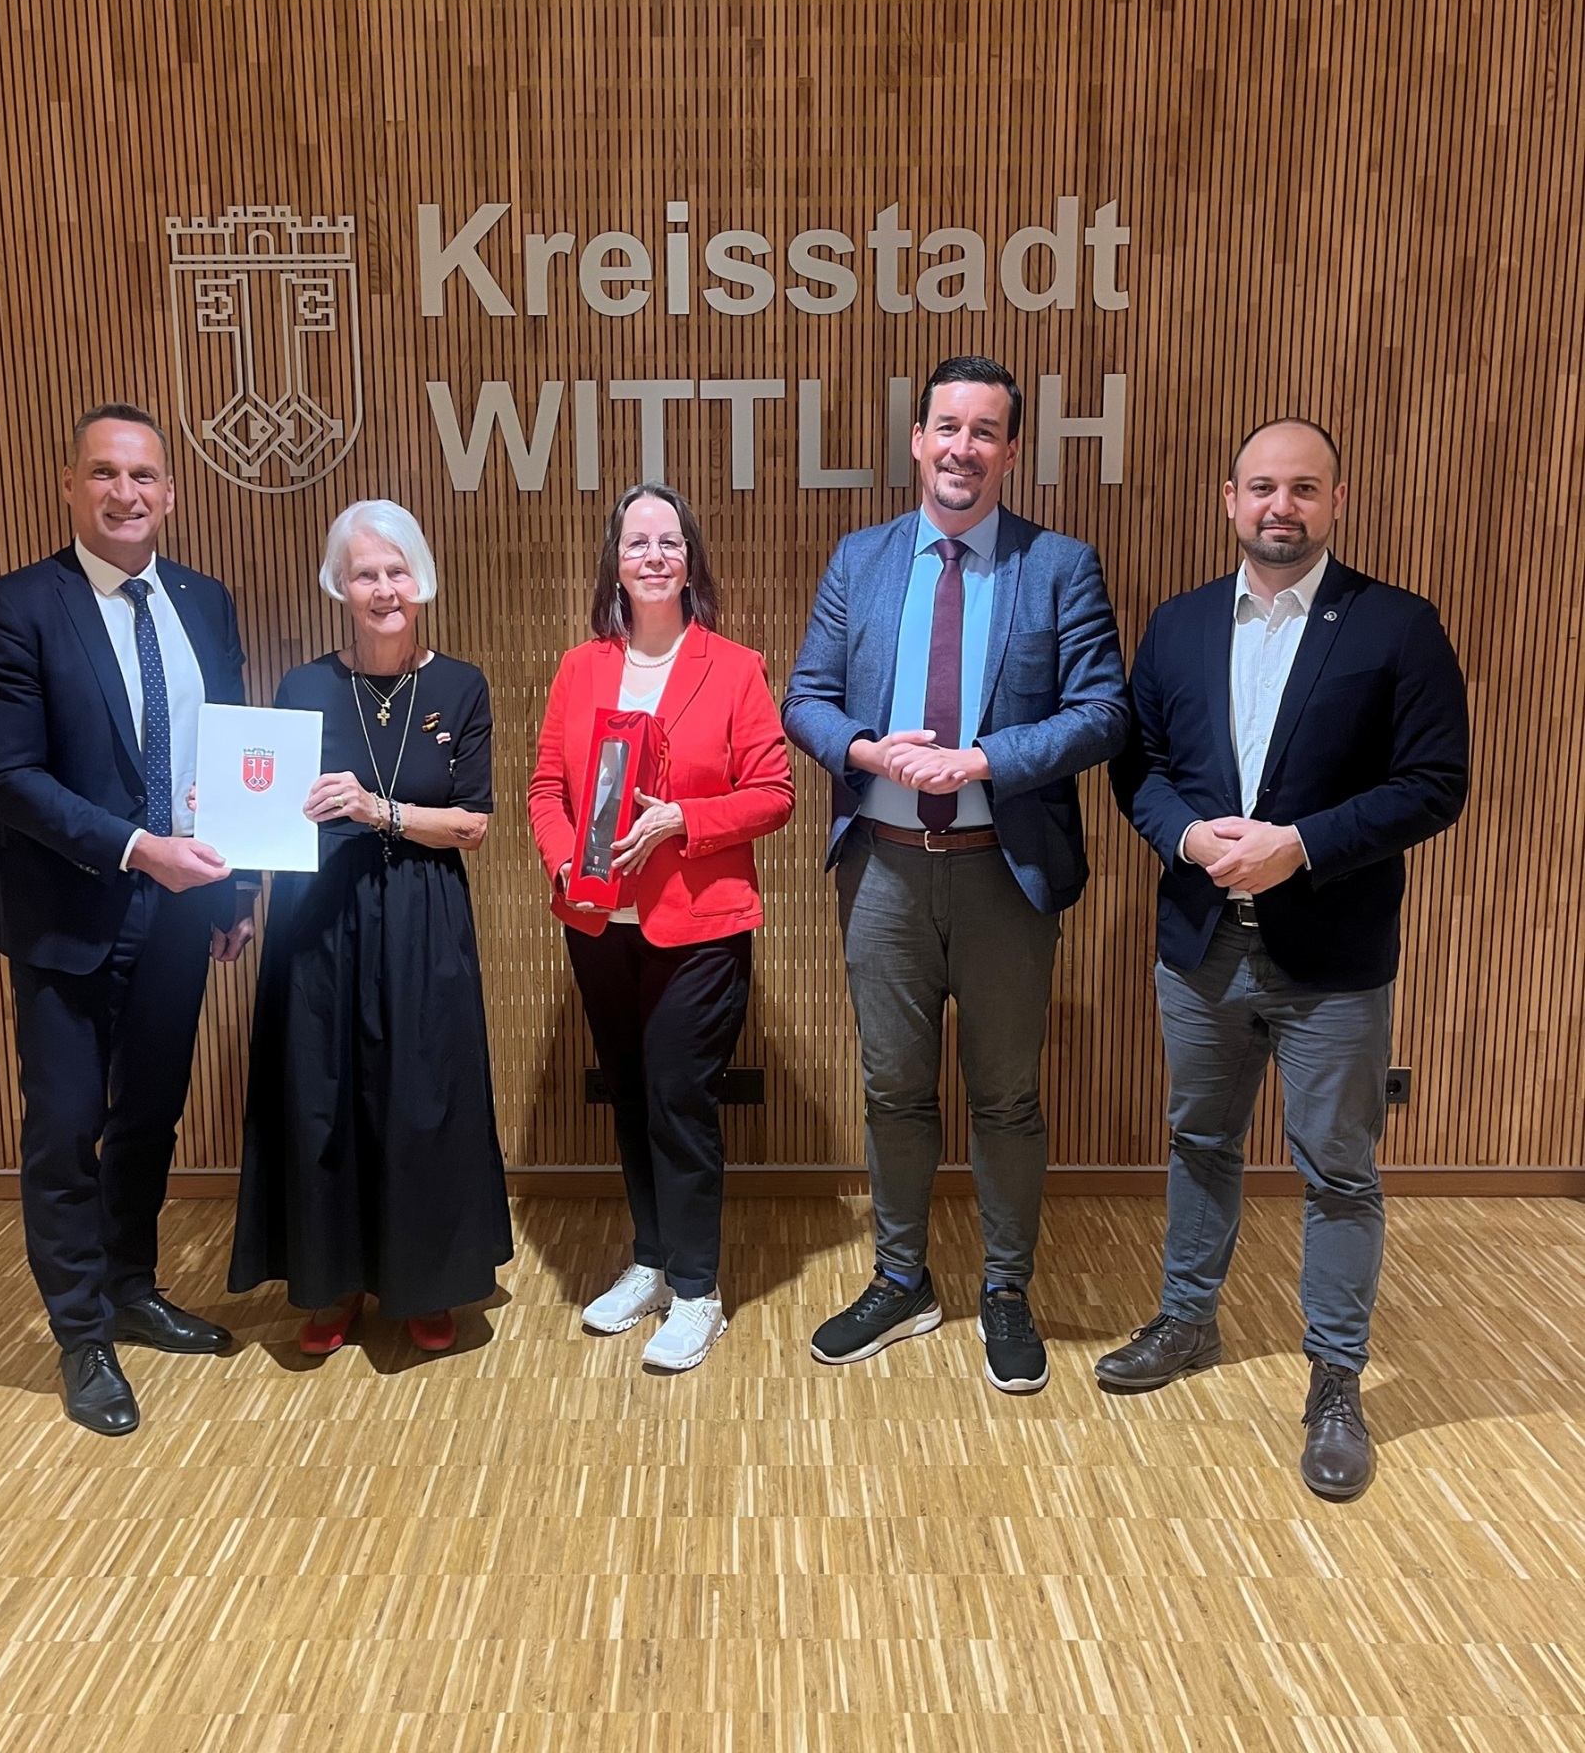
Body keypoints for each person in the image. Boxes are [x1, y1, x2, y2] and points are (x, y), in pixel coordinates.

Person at [1098, 418, 1469, 1499]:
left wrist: (1299, 845)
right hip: (1201, 949)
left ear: (1336, 501)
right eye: (1262, 486)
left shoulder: (1397, 626)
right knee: (1199, 1140)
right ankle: (1186, 1321)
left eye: (1303, 488)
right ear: (1229, 498)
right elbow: (1139, 767)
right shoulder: (1176, 626)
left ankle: (1336, 1381)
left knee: (1337, 1170)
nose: (1280, 506)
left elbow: (1433, 783)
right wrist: (1184, 835)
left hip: (1332, 961)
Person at [783, 356, 1129, 1394]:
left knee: (1006, 1097)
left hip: (1000, 879)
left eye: (984, 431)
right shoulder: (861, 559)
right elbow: (805, 698)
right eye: (947, 427)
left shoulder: (1057, 566)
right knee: (892, 1089)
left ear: (1011, 451)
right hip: (883, 872)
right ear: (917, 439)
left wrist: (983, 760)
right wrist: (866, 751)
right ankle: (901, 1280)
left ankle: (1007, 1289)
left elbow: (1102, 712)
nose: (962, 448)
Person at [0, 403, 258, 1437]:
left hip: (181, 912)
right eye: (104, 473)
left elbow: (226, 756)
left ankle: (131, 1287)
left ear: (169, 493)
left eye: (143, 476)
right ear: (70, 486)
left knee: (149, 1114)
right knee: (65, 1124)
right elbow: (8, 779)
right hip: (68, 912)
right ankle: (80, 1333)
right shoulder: (13, 608)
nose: (125, 493)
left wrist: (232, 892)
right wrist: (136, 848)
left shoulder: (204, 602)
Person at [229, 501, 512, 1355]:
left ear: (421, 580)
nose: (384, 588)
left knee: (423, 1097)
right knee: (324, 1095)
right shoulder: (303, 686)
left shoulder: (460, 685)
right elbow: (268, 805)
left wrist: (376, 809)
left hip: (424, 912)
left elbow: (471, 824)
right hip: (320, 918)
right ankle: (333, 1281)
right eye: (365, 574)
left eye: (397, 571)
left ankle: (426, 1281)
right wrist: (227, 819)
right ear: (338, 586)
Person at [529, 484, 794, 1372]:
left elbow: (773, 794)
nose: (653, 556)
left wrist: (683, 818)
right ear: (615, 562)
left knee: (680, 1098)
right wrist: (563, 861)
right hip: (598, 921)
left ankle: (696, 1291)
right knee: (631, 1094)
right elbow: (546, 790)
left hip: (699, 926)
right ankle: (649, 1261)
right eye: (637, 542)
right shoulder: (580, 669)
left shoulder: (735, 667)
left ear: (689, 563)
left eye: (668, 542)